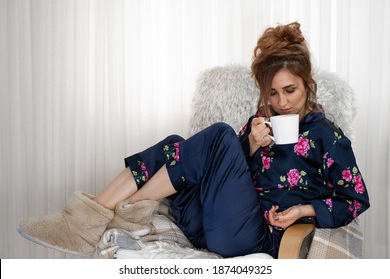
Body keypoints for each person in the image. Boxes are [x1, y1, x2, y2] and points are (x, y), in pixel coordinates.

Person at [17, 21, 370, 259]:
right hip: (206, 223)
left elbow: (355, 199)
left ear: (307, 84)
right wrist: (250, 145)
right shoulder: (263, 123)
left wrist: (304, 210)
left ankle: (110, 217)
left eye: (290, 90)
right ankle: (83, 219)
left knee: (218, 135)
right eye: (273, 93)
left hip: (251, 238)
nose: (281, 102)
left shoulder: (328, 137)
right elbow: (224, 173)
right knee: (176, 146)